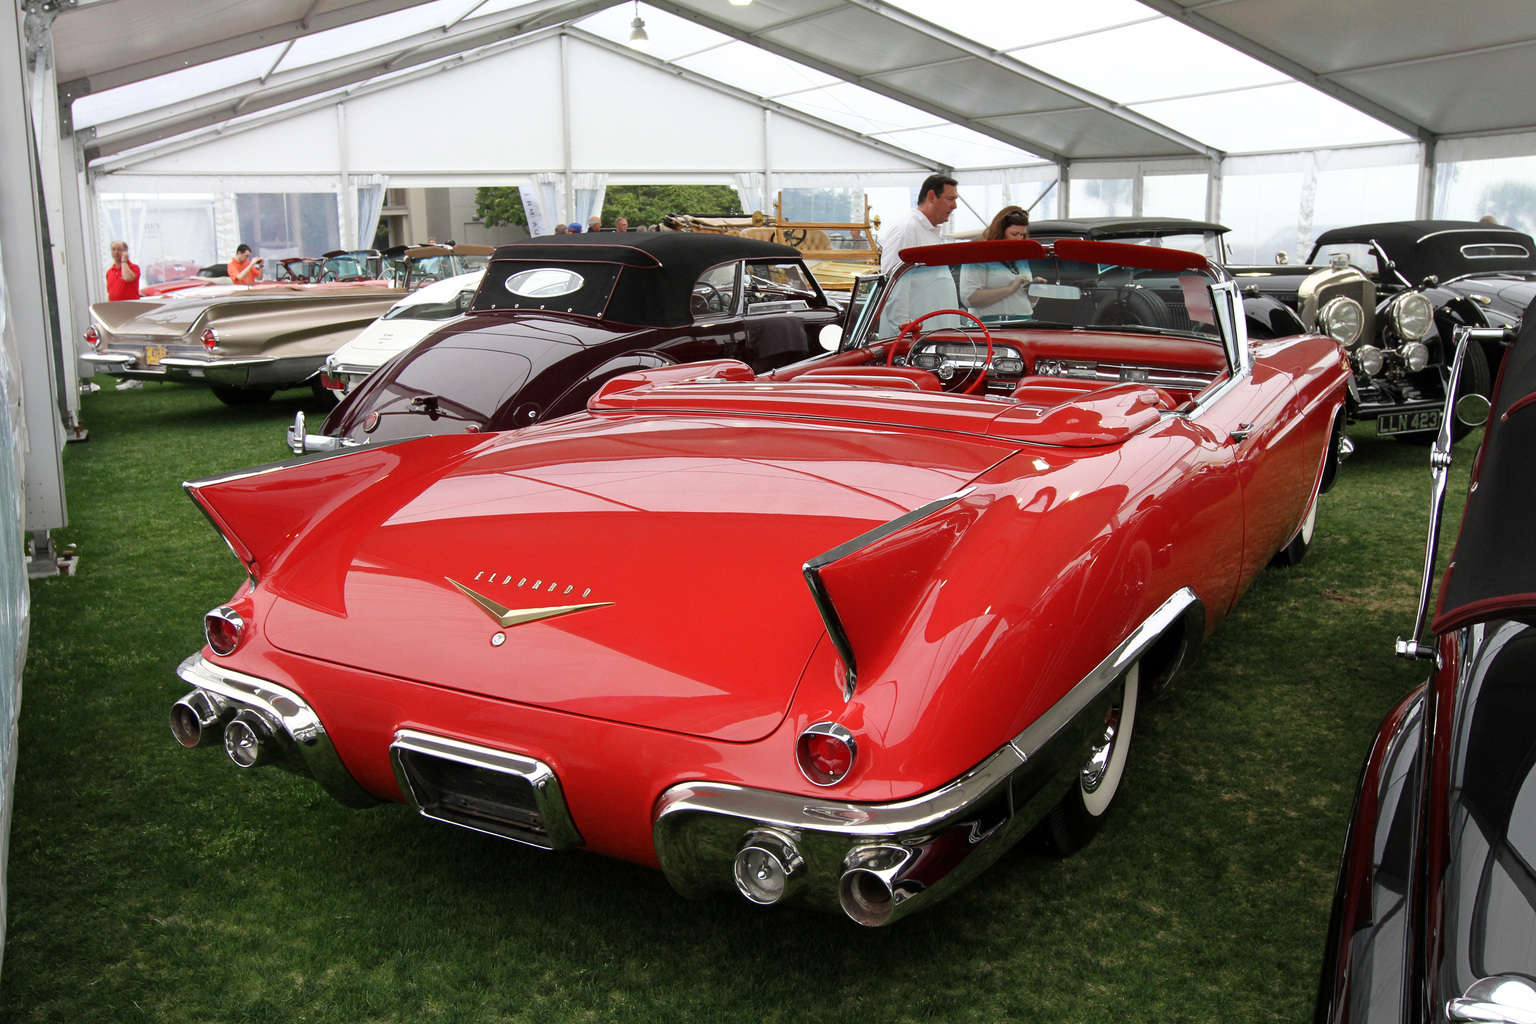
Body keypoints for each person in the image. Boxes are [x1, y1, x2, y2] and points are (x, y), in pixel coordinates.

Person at [960, 206, 1035, 318]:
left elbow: (1029, 302)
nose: (1019, 239)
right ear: (1000, 233)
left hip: (1024, 321)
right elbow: (969, 298)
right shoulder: (978, 254)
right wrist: (1009, 290)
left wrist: (1035, 289)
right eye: (1014, 234)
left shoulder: (1021, 257)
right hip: (994, 324)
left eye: (1022, 235)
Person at [878, 173, 957, 275]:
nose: (954, 206)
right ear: (931, 197)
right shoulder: (906, 231)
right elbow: (895, 282)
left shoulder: (927, 230)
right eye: (950, 199)